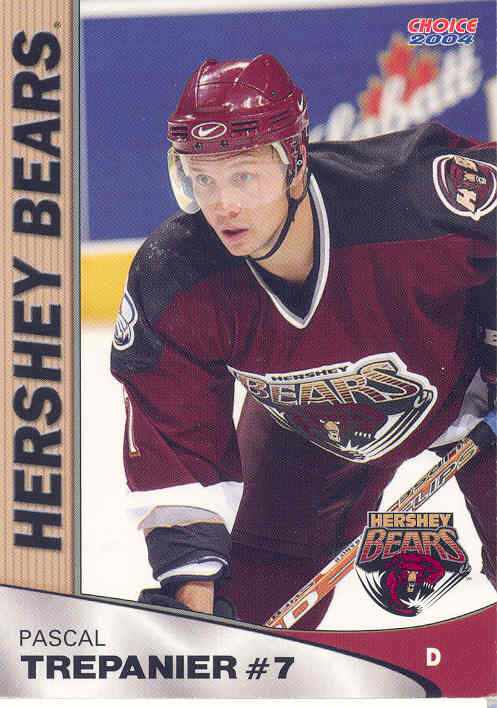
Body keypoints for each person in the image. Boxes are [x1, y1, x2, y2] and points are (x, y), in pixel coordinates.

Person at [111, 54, 496, 629]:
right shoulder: (176, 278)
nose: (222, 204)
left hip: (470, 387)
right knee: (247, 622)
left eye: (243, 175)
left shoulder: (413, 198)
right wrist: (198, 612)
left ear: (294, 164)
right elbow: (179, 451)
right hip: (306, 427)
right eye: (202, 178)